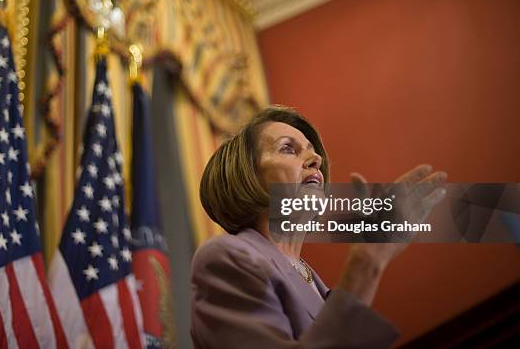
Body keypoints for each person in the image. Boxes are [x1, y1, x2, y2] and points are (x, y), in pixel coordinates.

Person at [191, 106, 447, 348]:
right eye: (288, 149)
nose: (315, 159)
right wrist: (366, 260)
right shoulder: (225, 258)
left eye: (312, 151)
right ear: (246, 175)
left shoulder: (316, 284)